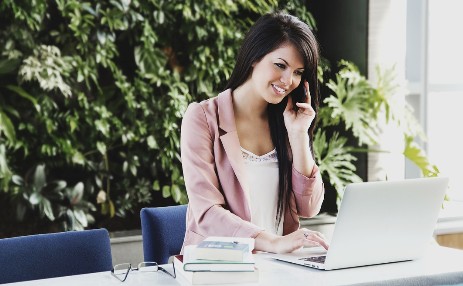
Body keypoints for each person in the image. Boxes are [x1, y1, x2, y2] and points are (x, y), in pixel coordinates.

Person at [180, 11, 328, 254]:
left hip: (280, 267)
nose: (288, 80)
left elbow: (309, 207)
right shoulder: (203, 118)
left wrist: (299, 136)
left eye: (298, 72)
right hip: (221, 266)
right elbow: (206, 212)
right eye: (280, 65)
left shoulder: (287, 121)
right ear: (254, 57)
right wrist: (272, 242)